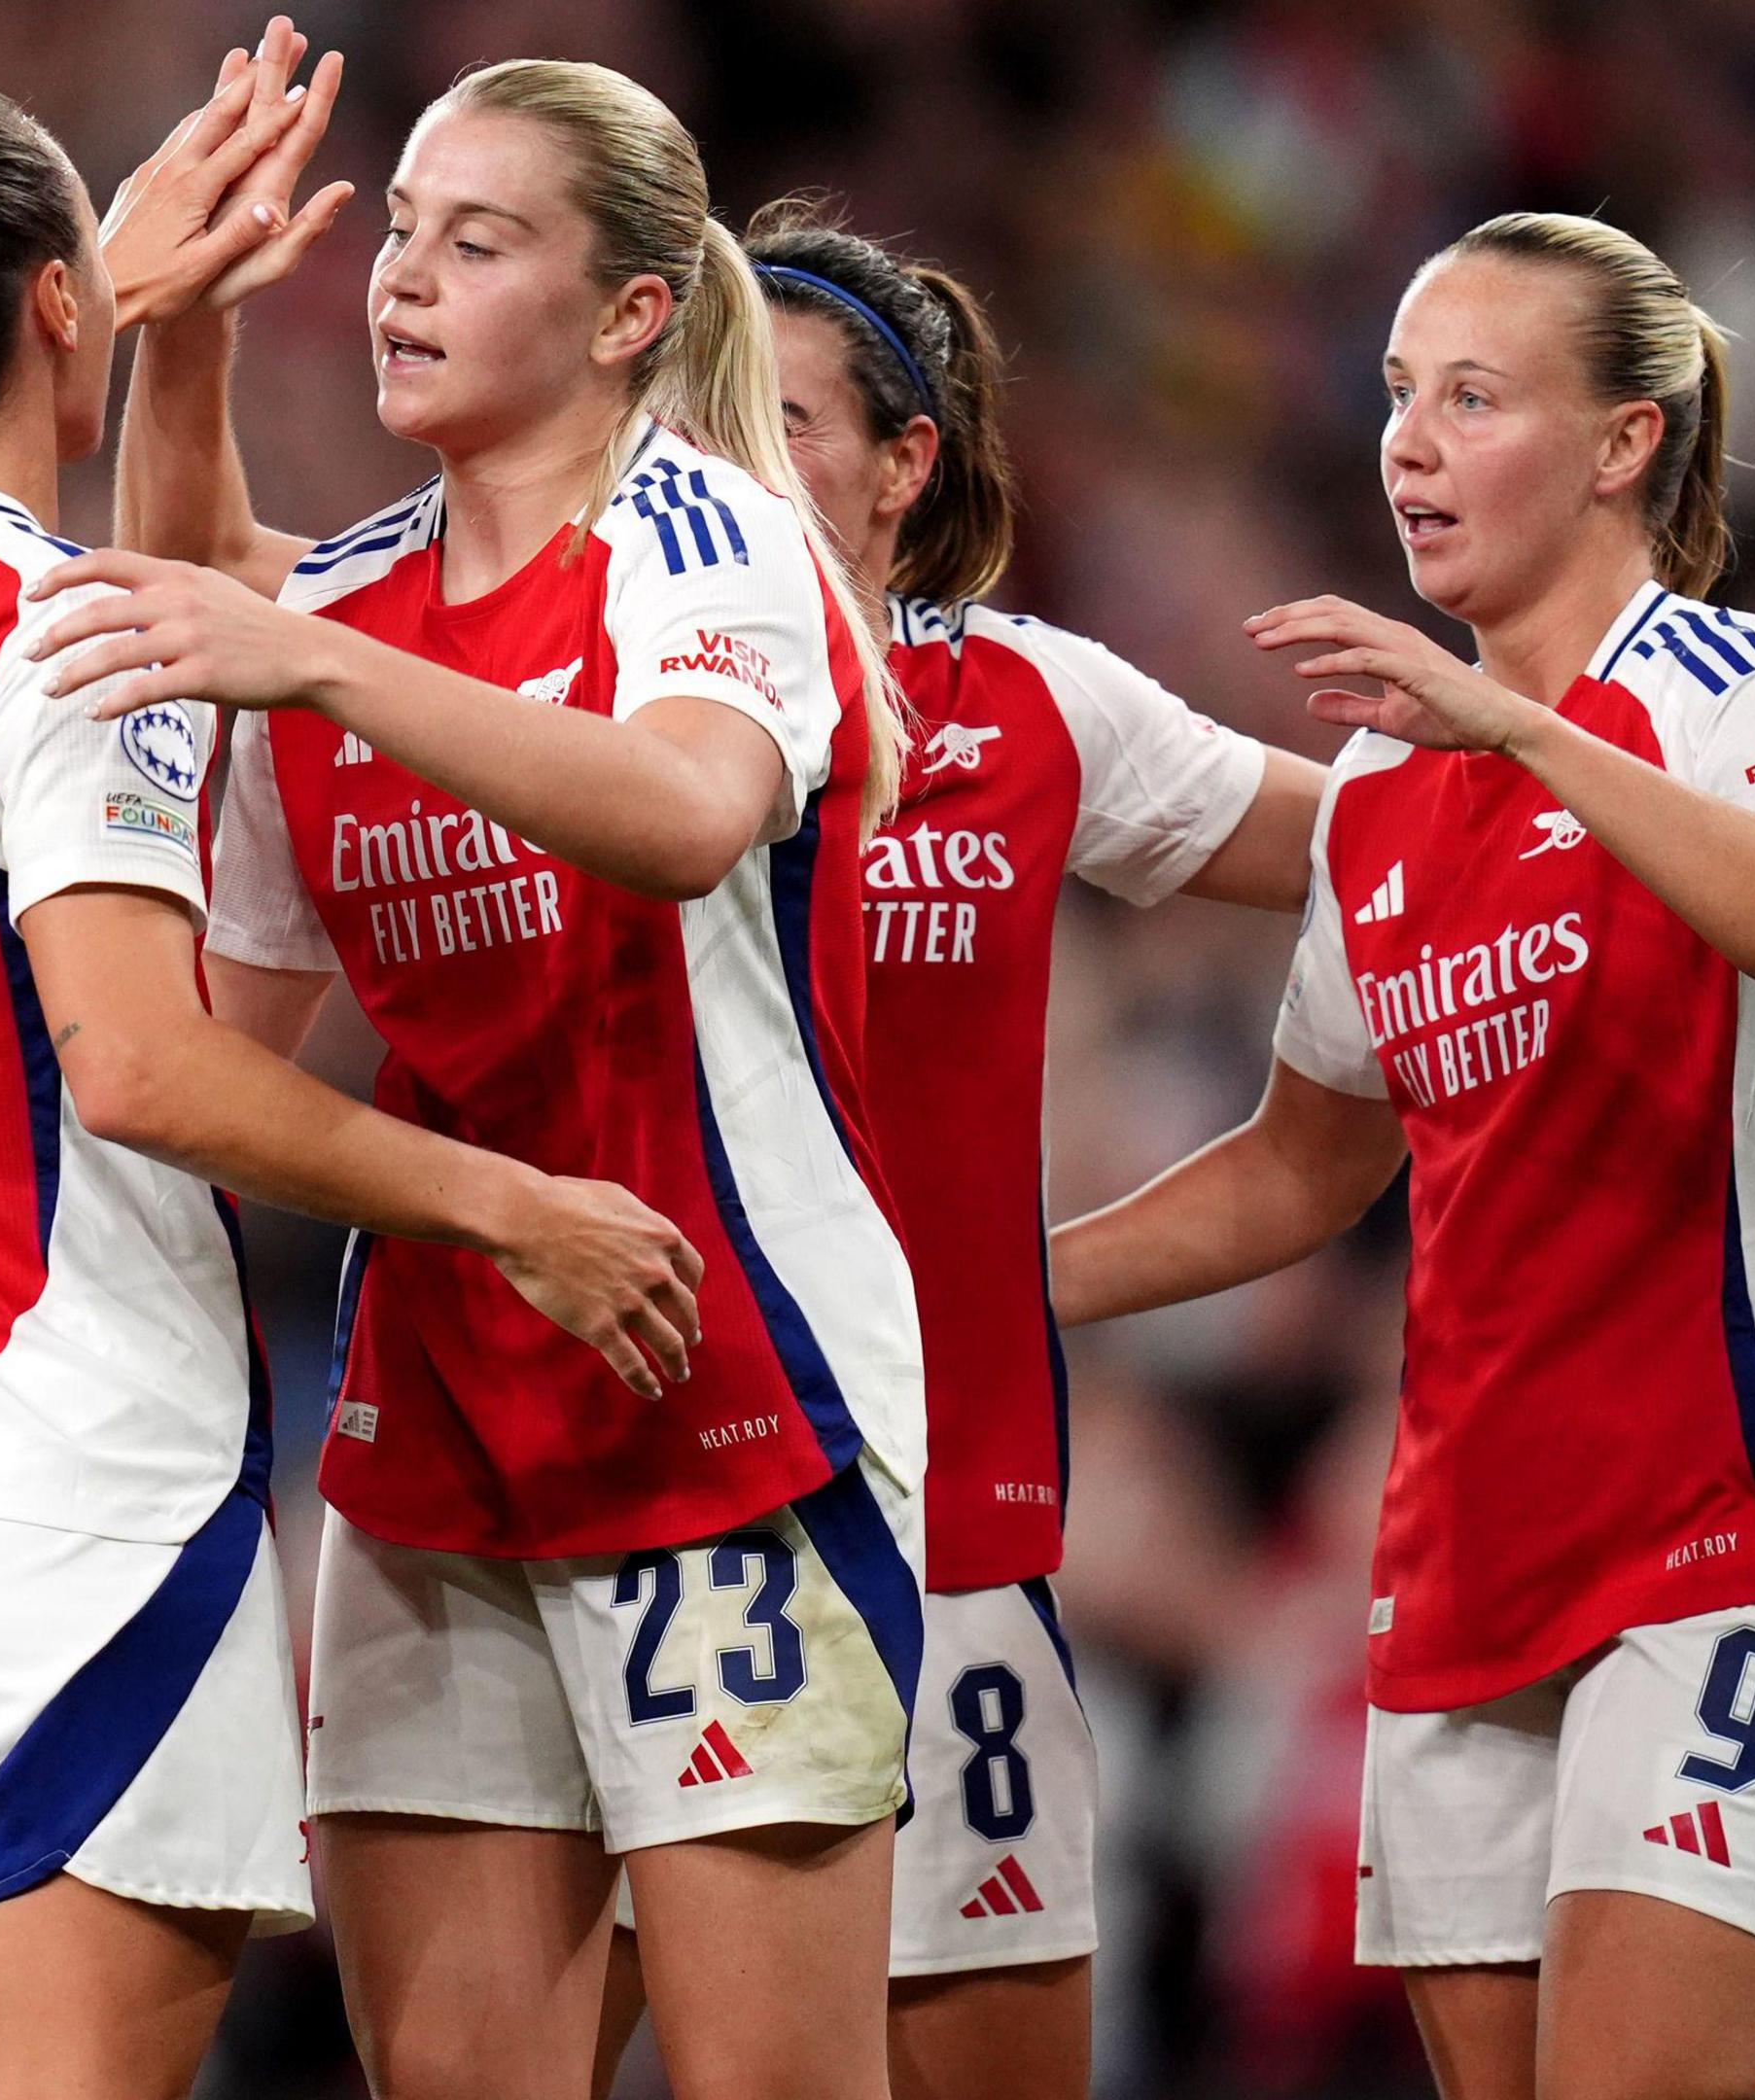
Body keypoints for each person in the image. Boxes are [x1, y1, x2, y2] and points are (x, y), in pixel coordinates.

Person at [0, 45, 705, 2100]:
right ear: (52, 302)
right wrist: (506, 1202)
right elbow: (133, 1066)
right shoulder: (67, 637)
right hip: (64, 1482)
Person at [15, 53, 927, 2100]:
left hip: (734, 1405)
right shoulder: (339, 609)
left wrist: (321, 657)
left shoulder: (709, 542)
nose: (405, 278)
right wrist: (187, 328)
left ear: (626, 317)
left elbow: (687, 817)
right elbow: (213, 1047)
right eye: (401, 231)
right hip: (440, 1449)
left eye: (477, 240)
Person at [1047, 212, 1755, 2100]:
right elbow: (1303, 1170)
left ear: (1623, 441)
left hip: (1736, 1534)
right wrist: (993, 1288)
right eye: (1393, 397)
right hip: (1461, 1568)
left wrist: (1523, 731)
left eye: (1472, 396)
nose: (1409, 444)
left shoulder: (1730, 684)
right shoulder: (1381, 796)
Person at [594, 201, 1329, 2100]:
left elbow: (1382, 860)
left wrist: (1597, 790)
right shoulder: (581, 698)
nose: (722, 469)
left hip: (952, 1536)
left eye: (783, 422)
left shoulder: (1031, 711)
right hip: (633, 1522)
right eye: (694, 421)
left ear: (908, 464)